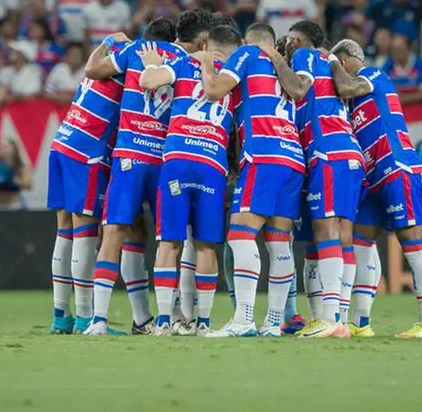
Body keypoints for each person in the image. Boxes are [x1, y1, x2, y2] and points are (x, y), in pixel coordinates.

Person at [80, 10, 212, 336]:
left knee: (115, 233)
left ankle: (99, 319)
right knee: (173, 239)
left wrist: (110, 42)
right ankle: (177, 317)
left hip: (129, 156)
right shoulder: (185, 58)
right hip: (165, 158)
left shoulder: (132, 51)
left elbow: (92, 70)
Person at [197, 21, 307, 337]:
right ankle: (273, 323)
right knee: (278, 243)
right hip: (292, 158)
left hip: (264, 154)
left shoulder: (246, 54)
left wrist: (207, 66)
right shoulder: (282, 65)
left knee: (241, 235)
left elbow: (214, 90)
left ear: (248, 41)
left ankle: (244, 320)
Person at [329, 38, 422, 339]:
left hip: (396, 164)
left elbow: (346, 86)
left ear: (350, 58)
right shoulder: (350, 105)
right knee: (362, 243)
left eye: (340, 63)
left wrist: (331, 61)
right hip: (372, 174)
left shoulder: (374, 75)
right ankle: (361, 322)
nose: (335, 72)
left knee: (411, 242)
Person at [136, 24, 240, 336]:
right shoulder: (237, 76)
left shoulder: (185, 62)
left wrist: (152, 64)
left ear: (208, 43)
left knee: (170, 241)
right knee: (206, 245)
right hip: (211, 162)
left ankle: (165, 321)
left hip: (178, 159)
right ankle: (203, 323)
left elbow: (147, 81)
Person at [285, 20, 365, 337]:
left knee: (325, 228)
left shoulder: (305, 56)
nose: (288, 43)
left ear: (303, 41)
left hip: (326, 151)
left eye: (292, 39)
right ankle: (338, 318)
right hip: (348, 152)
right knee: (340, 233)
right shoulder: (329, 64)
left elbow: (298, 87)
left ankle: (329, 318)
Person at [46, 34, 127, 335]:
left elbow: (93, 63)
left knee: (64, 231)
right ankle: (83, 317)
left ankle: (60, 316)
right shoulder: (121, 80)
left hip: (61, 143)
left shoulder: (93, 76)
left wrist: (105, 42)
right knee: (85, 232)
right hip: (86, 152)